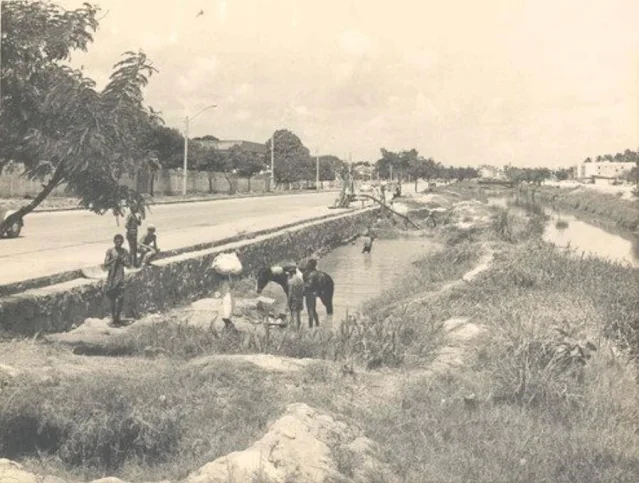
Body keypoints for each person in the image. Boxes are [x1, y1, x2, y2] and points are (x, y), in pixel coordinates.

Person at [103, 234, 130, 326]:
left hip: (120, 277)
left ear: (122, 242)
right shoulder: (110, 251)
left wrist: (122, 260)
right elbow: (105, 264)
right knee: (112, 299)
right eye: (117, 241)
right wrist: (114, 259)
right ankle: (114, 318)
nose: (119, 243)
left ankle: (118, 317)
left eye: (120, 241)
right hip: (112, 277)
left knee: (121, 298)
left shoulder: (124, 251)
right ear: (114, 241)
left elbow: (128, 264)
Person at [285, 266, 305, 330]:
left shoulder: (291, 281)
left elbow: (290, 293)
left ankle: (294, 330)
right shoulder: (301, 280)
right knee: (298, 316)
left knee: (293, 315)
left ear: (290, 273)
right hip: (300, 299)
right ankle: (298, 330)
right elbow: (303, 291)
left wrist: (288, 303)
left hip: (293, 300)